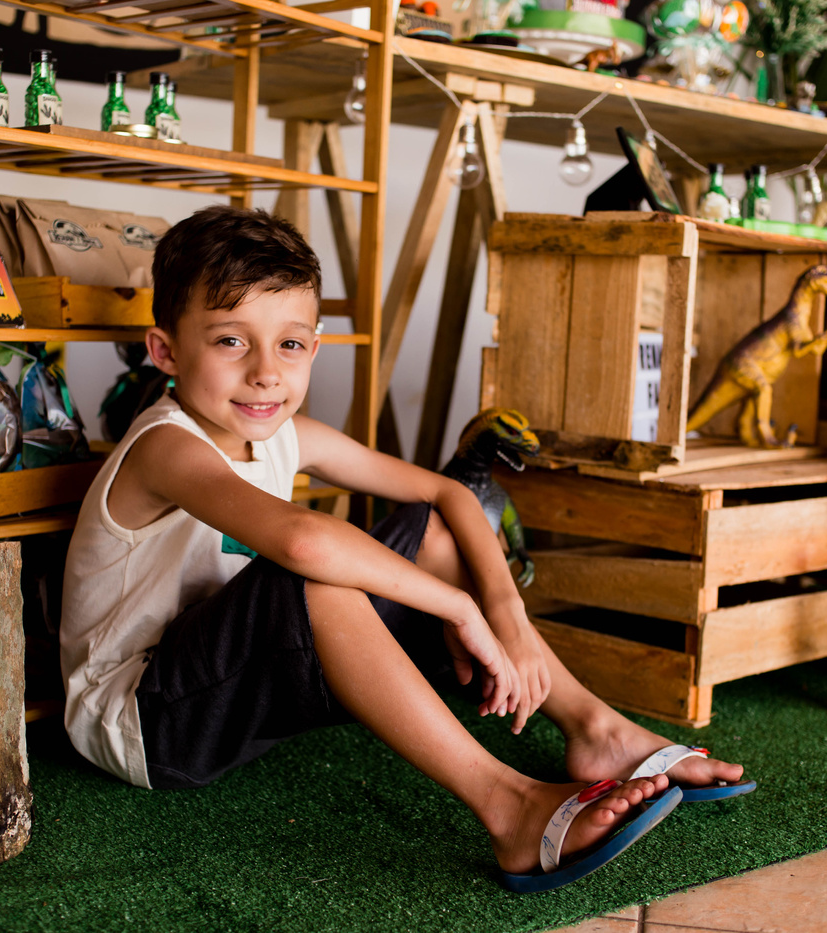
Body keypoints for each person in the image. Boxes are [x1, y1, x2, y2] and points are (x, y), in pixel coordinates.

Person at [59, 206, 747, 890]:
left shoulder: (283, 435)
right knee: (315, 573)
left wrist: (506, 615)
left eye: (289, 344)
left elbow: (449, 494)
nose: (266, 372)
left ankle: (594, 727)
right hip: (143, 722)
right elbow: (304, 540)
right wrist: (457, 607)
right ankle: (510, 807)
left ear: (313, 348)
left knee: (430, 528)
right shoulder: (165, 446)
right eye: (231, 341)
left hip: (225, 688)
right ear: (166, 351)